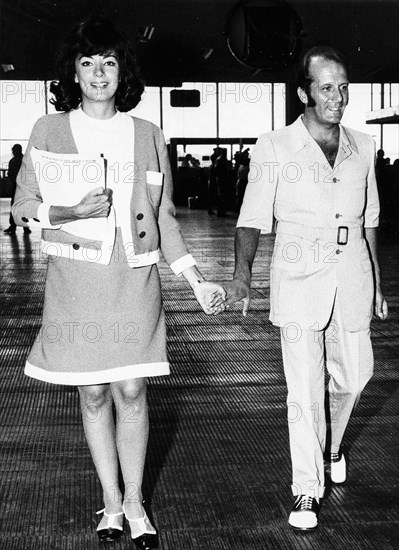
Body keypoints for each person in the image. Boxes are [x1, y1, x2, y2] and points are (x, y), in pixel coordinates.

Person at [12, 17, 225, 549]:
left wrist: (195, 280)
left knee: (132, 390)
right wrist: (68, 209)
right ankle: (110, 498)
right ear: (74, 74)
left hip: (134, 280)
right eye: (87, 63)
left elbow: (165, 216)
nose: (99, 73)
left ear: (122, 71)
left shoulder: (149, 135)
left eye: (108, 62)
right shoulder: (48, 130)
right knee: (91, 394)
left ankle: (135, 501)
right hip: (76, 282)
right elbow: (22, 208)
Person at [225, 46, 388, 531]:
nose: (337, 97)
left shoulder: (363, 146)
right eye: (325, 88)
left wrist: (377, 280)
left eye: (342, 87)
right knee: (304, 392)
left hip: (353, 274)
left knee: (355, 376)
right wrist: (241, 275)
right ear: (303, 93)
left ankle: (333, 444)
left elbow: (370, 220)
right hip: (297, 279)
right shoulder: (274, 146)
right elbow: (251, 220)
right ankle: (305, 489)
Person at [4, 144, 30, 234]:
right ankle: (26, 227)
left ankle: (13, 226)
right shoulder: (26, 160)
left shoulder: (12, 161)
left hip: (15, 187)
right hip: (24, 188)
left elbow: (10, 175)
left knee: (14, 207)